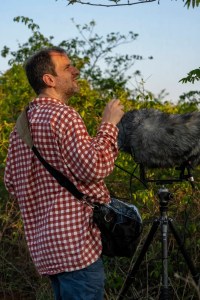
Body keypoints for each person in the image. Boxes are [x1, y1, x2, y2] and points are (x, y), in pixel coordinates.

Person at [4, 47, 124, 300]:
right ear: (49, 80)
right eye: (67, 67)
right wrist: (109, 124)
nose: (75, 71)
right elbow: (95, 167)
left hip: (46, 249)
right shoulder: (64, 115)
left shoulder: (20, 125)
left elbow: (11, 183)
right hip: (76, 247)